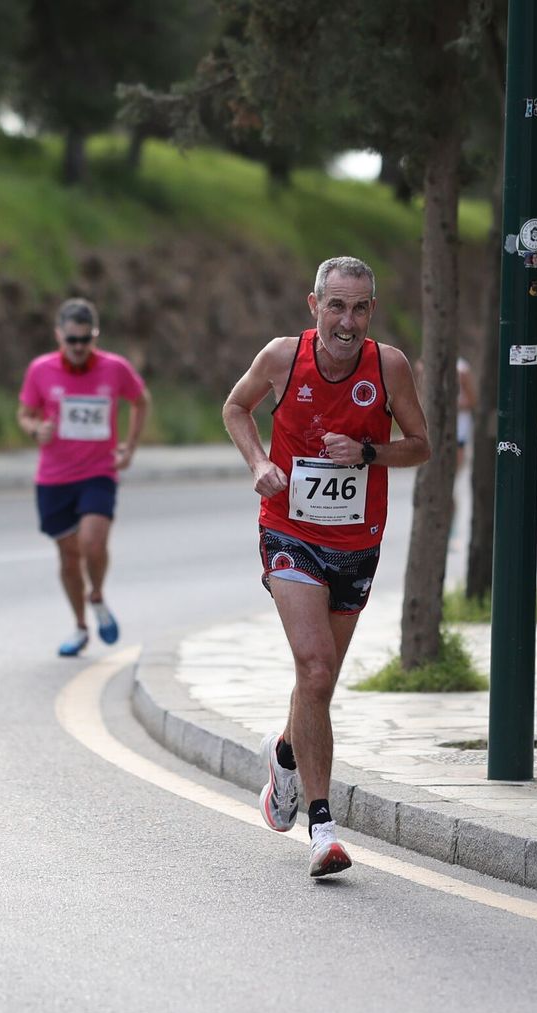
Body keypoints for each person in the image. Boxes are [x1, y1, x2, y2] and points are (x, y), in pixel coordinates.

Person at [221, 256, 430, 878]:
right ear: (315, 306)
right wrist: (259, 463)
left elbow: (422, 445)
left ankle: (286, 754)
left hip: (357, 542)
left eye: (360, 307)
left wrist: (368, 451)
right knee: (313, 666)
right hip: (289, 531)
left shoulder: (388, 366)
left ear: (372, 310)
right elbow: (236, 409)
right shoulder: (284, 357)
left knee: (321, 682)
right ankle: (323, 829)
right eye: (335, 306)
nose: (347, 320)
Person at [17, 298, 151, 657]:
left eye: (84, 340)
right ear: (59, 335)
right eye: (71, 340)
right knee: (68, 556)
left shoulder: (114, 368)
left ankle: (98, 593)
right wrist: (35, 429)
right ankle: (79, 626)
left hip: (98, 472)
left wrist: (129, 446)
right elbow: (25, 413)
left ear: (94, 336)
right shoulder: (40, 369)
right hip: (54, 477)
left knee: (92, 543)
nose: (77, 348)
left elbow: (140, 401)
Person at [455, 356, 477, 470]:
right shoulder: (428, 363)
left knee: (459, 450)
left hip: (460, 420)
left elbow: (472, 400)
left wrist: (455, 405)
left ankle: (454, 481)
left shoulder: (462, 369)